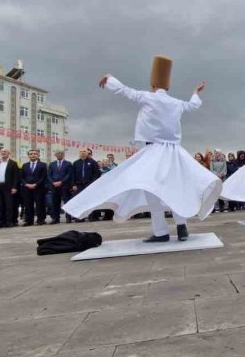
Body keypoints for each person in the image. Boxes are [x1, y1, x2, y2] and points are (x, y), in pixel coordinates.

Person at [64, 55, 222, 242]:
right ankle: (182, 227)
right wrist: (196, 92)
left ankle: (161, 232)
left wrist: (109, 78)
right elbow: (193, 106)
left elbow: (124, 91)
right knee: (176, 188)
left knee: (151, 191)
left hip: (154, 151)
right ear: (168, 86)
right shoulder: (177, 103)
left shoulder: (148, 97)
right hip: (174, 152)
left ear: (153, 85)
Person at [0, 148, 20, 228]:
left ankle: (9, 222)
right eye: (2, 151)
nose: (3, 153)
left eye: (5, 151)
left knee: (9, 205)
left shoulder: (13, 163)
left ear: (9, 153)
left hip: (8, 187)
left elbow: (16, 177)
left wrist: (14, 187)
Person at [71, 149, 101, 222]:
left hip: (89, 184)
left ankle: (92, 217)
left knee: (90, 201)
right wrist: (73, 184)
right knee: (80, 201)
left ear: (87, 153)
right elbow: (73, 175)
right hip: (79, 185)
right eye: (81, 152)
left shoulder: (92, 162)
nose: (82, 153)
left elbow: (96, 173)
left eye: (84, 151)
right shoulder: (76, 163)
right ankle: (80, 217)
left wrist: (93, 183)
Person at [20, 149, 48, 226]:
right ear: (28, 155)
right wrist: (26, 184)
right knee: (28, 204)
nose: (33, 155)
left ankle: (40, 219)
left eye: (35, 154)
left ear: (38, 155)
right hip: (27, 188)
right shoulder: (24, 165)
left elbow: (43, 177)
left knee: (40, 204)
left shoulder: (43, 165)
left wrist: (36, 184)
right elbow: (22, 177)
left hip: (39, 187)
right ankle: (29, 220)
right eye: (31, 154)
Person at [47, 150, 73, 224]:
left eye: (62, 153)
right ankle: (55, 218)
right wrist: (53, 182)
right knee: (54, 203)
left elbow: (69, 174)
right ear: (55, 155)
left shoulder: (68, 163)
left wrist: (61, 181)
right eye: (58, 153)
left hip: (64, 186)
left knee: (66, 202)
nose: (60, 154)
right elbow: (49, 175)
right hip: (54, 186)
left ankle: (68, 217)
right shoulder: (52, 164)